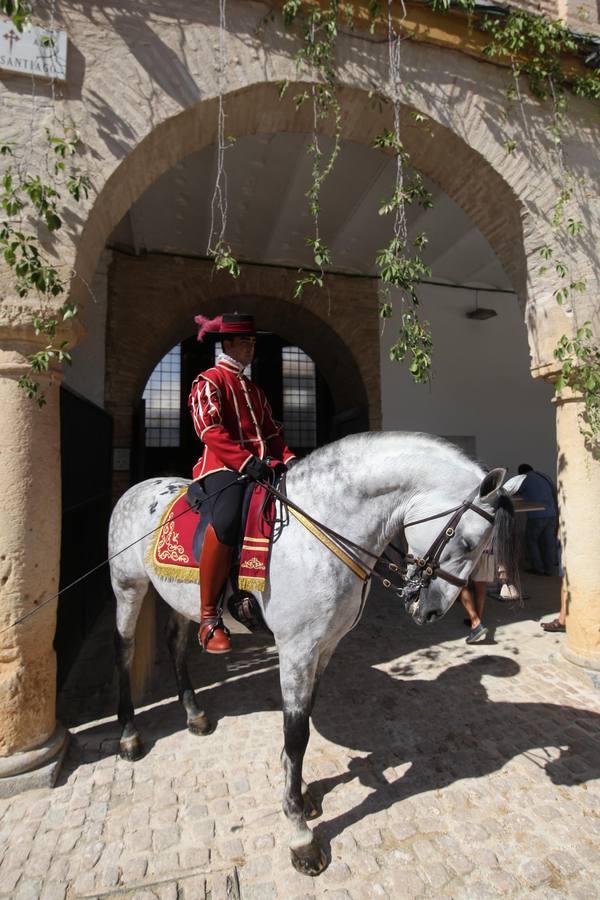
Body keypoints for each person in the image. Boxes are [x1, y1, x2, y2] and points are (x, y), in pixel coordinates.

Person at [188, 312, 296, 654]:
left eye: (252, 342)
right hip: (222, 467)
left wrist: (292, 460)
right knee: (228, 516)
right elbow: (209, 430)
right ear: (229, 343)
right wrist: (245, 461)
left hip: (262, 466)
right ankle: (208, 618)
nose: (251, 347)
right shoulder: (209, 380)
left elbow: (272, 435)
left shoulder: (254, 389)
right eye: (246, 341)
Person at [517, 463, 558, 576]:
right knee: (549, 542)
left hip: (537, 515)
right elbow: (554, 491)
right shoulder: (544, 476)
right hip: (552, 514)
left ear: (521, 473)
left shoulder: (524, 478)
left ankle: (538, 568)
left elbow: (515, 491)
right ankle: (549, 569)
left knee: (531, 541)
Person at [460, 543, 495, 643]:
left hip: (470, 549)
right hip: (487, 548)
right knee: (480, 586)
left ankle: (475, 621)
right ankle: (477, 621)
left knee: (460, 584)